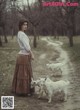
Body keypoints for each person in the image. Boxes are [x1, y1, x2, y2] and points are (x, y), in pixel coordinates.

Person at [11, 19, 34, 96]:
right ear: (20, 25)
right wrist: (32, 53)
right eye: (24, 24)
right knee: (24, 74)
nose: (25, 26)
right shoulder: (22, 34)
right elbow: (27, 47)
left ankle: (23, 90)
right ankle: (23, 91)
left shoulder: (20, 33)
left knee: (23, 73)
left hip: (22, 55)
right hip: (23, 55)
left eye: (26, 25)